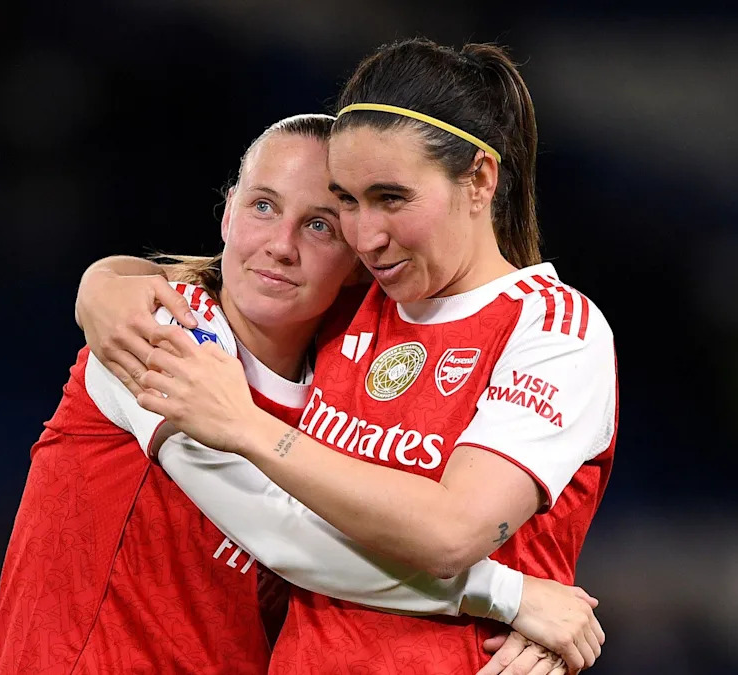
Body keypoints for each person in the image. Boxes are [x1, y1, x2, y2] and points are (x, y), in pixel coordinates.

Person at [76, 38, 617, 675]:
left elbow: (451, 534)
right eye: (348, 203)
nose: (366, 236)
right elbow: (234, 280)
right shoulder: (355, 304)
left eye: (391, 198)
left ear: (479, 179)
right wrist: (104, 284)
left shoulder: (552, 331)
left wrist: (247, 428)